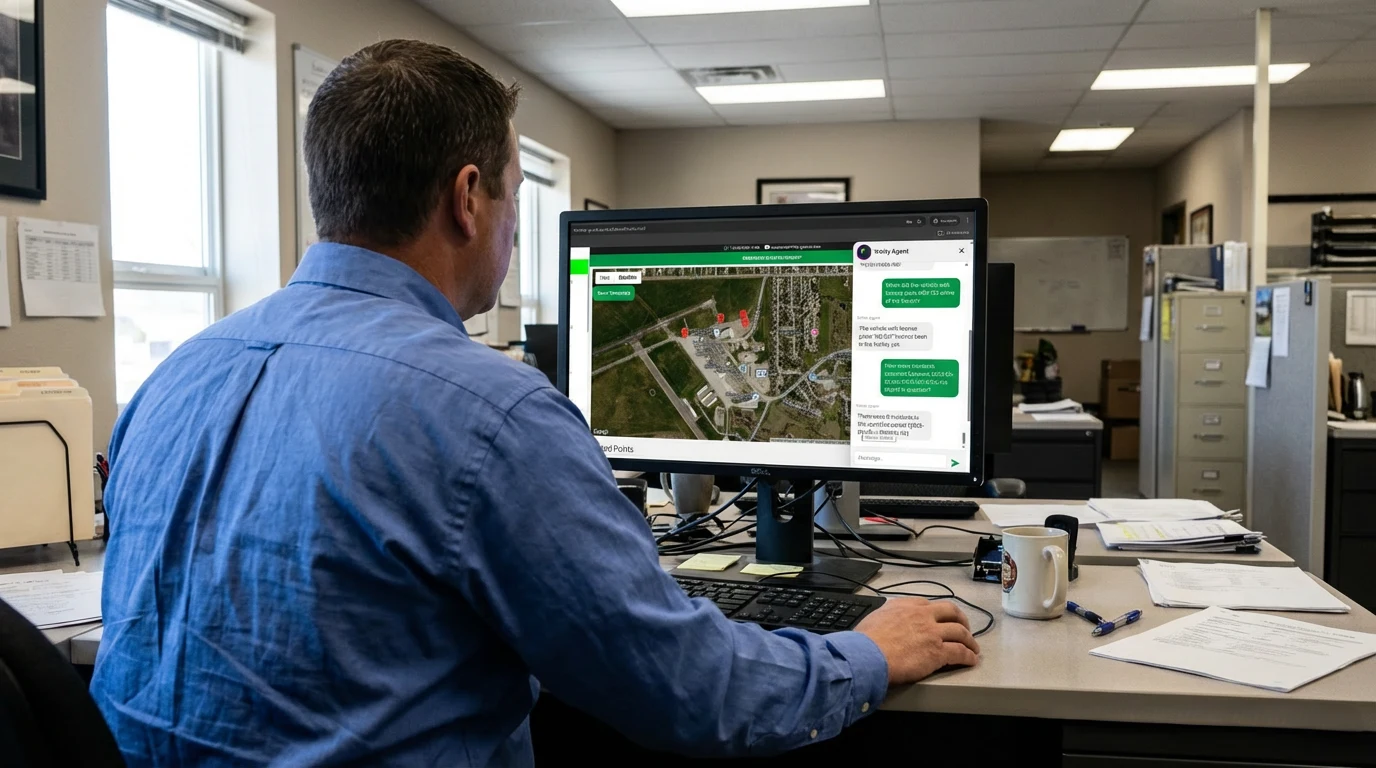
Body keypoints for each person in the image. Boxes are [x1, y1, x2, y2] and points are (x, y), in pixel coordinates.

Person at [90, 39, 980, 766]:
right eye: (515, 193)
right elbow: (690, 691)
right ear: (468, 198)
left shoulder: (175, 375)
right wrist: (868, 651)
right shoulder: (487, 408)